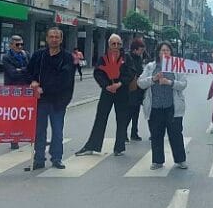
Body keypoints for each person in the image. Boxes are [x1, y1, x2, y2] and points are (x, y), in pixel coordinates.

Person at [76, 34, 136, 157]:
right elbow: (97, 73)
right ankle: (92, 146)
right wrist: (106, 86)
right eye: (113, 44)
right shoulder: (103, 58)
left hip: (122, 91)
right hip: (107, 92)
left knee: (122, 120)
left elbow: (131, 73)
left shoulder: (127, 58)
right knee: (100, 118)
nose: (116, 46)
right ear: (109, 45)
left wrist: (120, 83)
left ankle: (119, 148)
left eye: (118, 44)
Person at [28, 27, 76, 170]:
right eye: (51, 36)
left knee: (57, 131)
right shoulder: (38, 56)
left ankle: (56, 158)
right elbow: (28, 72)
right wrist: (33, 81)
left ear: (61, 40)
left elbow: (65, 80)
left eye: (57, 37)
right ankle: (39, 159)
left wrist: (45, 88)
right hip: (40, 100)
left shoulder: (67, 57)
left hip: (58, 101)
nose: (54, 39)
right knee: (39, 130)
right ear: (47, 39)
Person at [137, 41, 188, 170]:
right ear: (158, 53)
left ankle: (180, 159)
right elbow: (140, 83)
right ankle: (157, 161)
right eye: (162, 50)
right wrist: (153, 79)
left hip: (172, 106)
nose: (165, 53)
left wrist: (170, 82)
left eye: (167, 50)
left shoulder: (177, 66)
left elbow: (183, 84)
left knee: (175, 133)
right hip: (155, 107)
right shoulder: (151, 67)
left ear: (171, 53)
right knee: (156, 134)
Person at [1, 35, 32, 149]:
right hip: (12, 90)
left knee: (27, 114)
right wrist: (24, 70)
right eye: (17, 44)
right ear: (11, 45)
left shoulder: (26, 55)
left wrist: (21, 70)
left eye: (21, 44)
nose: (20, 47)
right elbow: (12, 73)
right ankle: (14, 139)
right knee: (14, 116)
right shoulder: (6, 57)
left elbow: (31, 69)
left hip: (26, 89)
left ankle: (30, 135)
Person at [125, 39, 146, 141]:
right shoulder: (128, 58)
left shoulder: (138, 58)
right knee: (129, 113)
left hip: (138, 89)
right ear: (134, 49)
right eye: (140, 50)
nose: (141, 52)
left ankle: (134, 132)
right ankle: (123, 133)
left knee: (136, 113)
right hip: (131, 90)